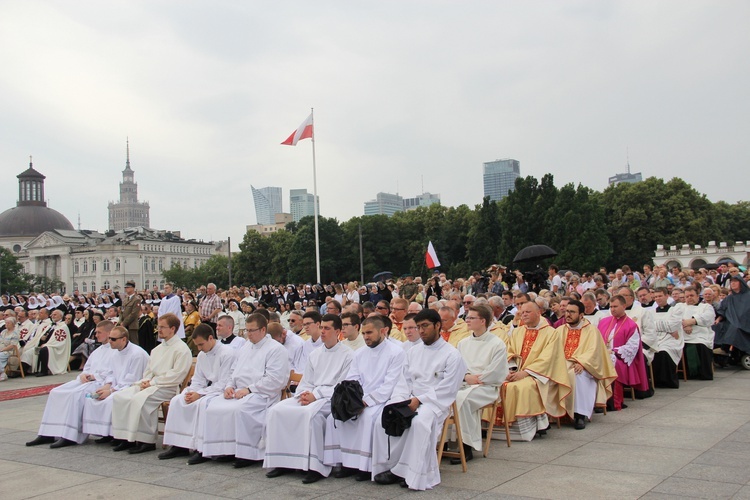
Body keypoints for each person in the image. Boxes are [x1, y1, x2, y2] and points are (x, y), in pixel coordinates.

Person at [371, 308, 466, 490]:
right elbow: (403, 380)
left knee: (419, 423)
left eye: (425, 326)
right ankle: (391, 467)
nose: (421, 331)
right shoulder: (413, 352)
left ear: (438, 326)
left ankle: (411, 473)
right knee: (383, 418)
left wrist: (419, 400)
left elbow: (448, 388)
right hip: (409, 398)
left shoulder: (452, 355)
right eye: (418, 327)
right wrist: (400, 399)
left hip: (435, 403)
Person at [264, 314, 353, 483]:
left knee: (312, 417)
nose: (323, 331)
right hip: (310, 395)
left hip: (330, 399)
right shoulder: (315, 354)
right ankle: (282, 462)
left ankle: (315, 467)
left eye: (327, 328)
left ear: (338, 331)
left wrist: (316, 395)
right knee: (277, 411)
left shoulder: (348, 355)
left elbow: (343, 386)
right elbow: (307, 380)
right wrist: (304, 393)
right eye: (321, 328)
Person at [195, 313, 289, 467]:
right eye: (247, 330)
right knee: (213, 406)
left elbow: (275, 379)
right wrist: (229, 386)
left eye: (252, 330)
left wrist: (249, 389)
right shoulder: (246, 346)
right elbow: (234, 369)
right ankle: (225, 450)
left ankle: (247, 454)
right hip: (239, 391)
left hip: (262, 394)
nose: (248, 334)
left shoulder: (276, 349)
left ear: (263, 330)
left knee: (241, 409)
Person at [324, 315, 406, 481]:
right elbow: (353, 378)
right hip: (360, 397)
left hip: (382, 399)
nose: (366, 337)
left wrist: (366, 401)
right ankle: (344, 463)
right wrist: (352, 399)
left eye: (370, 333)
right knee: (337, 417)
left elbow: (390, 384)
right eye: (364, 333)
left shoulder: (396, 352)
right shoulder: (360, 353)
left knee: (367, 418)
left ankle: (364, 467)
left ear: (383, 331)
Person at [26, 321, 118, 448]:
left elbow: (115, 373)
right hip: (87, 381)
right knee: (56, 392)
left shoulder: (116, 351)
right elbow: (88, 367)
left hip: (100, 384)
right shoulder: (98, 351)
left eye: (98, 332)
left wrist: (94, 376)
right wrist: (84, 375)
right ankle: (47, 433)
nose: (96, 335)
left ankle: (70, 435)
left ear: (109, 333)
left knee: (74, 395)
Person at [110, 313, 192, 453]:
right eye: (158, 327)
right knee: (120, 396)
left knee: (141, 400)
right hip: (152, 384)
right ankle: (125, 438)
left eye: (162, 327)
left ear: (172, 329)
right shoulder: (157, 349)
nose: (158, 330)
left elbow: (176, 375)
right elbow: (149, 370)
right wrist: (145, 381)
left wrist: (153, 382)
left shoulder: (181, 348)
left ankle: (146, 441)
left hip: (168, 387)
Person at [159, 323, 236, 460]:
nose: (199, 348)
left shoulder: (227, 353)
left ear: (211, 338)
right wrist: (191, 391)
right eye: (197, 345)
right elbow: (198, 379)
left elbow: (223, 382)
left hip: (220, 391)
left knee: (203, 404)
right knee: (178, 400)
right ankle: (179, 446)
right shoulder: (202, 355)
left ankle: (201, 449)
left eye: (201, 344)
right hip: (205, 389)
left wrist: (199, 394)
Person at [504, 302, 570, 441]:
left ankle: (527, 429)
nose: (524, 315)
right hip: (519, 372)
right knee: (500, 384)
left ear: (539, 313)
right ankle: (502, 427)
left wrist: (525, 373)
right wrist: (512, 370)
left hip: (542, 375)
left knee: (522, 387)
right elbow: (510, 351)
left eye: (528, 312)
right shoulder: (518, 331)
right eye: (522, 312)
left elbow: (548, 359)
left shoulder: (551, 333)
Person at [454, 304, 508, 461]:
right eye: (467, 317)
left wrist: (476, 379)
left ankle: (466, 446)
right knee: (447, 396)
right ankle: (447, 442)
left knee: (461, 400)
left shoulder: (497, 344)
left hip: (487, 387)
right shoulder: (463, 343)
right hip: (465, 383)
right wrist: (465, 377)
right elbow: (457, 367)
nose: (467, 320)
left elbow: (496, 372)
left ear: (483, 321)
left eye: (471, 317)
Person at [81, 324, 150, 443]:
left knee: (112, 400)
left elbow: (132, 379)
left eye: (113, 339)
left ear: (123, 339)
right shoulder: (115, 353)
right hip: (118, 387)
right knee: (93, 399)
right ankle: (106, 433)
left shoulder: (137, 354)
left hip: (134, 387)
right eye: (109, 339)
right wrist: (107, 387)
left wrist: (111, 391)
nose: (110, 342)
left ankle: (120, 436)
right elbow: (112, 373)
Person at [557, 300, 616, 430]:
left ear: (581, 315)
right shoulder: (560, 330)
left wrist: (582, 363)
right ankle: (554, 413)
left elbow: (595, 352)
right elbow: (552, 350)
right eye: (567, 311)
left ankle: (579, 414)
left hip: (586, 367)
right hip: (562, 364)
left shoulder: (591, 331)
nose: (568, 314)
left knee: (576, 375)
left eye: (572, 312)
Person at [598, 295, 649, 411]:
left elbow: (632, 347)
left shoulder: (631, 325)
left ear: (624, 306)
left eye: (615, 306)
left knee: (613, 365)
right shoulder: (604, 322)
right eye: (611, 307)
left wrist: (613, 351)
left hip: (620, 357)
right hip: (602, 354)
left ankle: (612, 402)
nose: (612, 309)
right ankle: (597, 401)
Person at [645, 287, 683, 388]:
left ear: (667, 296)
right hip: (655, 339)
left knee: (664, 351)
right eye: (656, 297)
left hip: (670, 340)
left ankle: (666, 381)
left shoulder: (674, 310)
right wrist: (666, 327)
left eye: (660, 296)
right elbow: (648, 327)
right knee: (649, 352)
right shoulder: (650, 312)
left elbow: (673, 325)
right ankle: (653, 381)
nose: (658, 298)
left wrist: (656, 325)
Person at [676, 286, 715, 380]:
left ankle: (701, 373)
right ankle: (684, 373)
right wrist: (685, 324)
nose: (689, 298)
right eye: (687, 296)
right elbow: (673, 317)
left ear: (698, 296)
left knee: (700, 345)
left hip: (700, 335)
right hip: (683, 335)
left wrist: (692, 321)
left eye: (692, 295)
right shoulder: (679, 306)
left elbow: (709, 318)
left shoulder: (706, 307)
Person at [31, 309, 71, 376]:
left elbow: (58, 340)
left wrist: (46, 344)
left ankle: (44, 371)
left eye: (55, 314)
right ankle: (36, 369)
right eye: (52, 314)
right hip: (49, 344)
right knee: (36, 349)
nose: (53, 316)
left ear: (61, 316)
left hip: (57, 347)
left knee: (44, 350)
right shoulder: (51, 325)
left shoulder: (63, 326)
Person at [119, 280, 141, 344]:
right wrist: (120, 321)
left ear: (133, 288)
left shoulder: (136, 299)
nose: (126, 289)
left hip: (132, 326)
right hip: (124, 325)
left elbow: (134, 313)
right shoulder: (125, 299)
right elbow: (122, 311)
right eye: (125, 288)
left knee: (133, 343)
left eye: (128, 287)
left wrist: (124, 322)